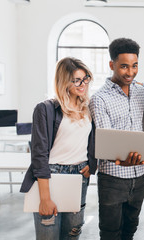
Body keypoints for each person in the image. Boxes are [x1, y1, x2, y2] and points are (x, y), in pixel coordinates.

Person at [20, 57, 97, 240]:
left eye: (85, 78)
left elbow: (92, 141)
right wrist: (45, 198)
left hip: (79, 176)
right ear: (64, 81)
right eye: (77, 80)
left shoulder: (88, 108)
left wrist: (92, 165)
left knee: (72, 236)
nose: (82, 84)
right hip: (50, 177)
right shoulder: (46, 109)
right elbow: (38, 154)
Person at [89, 38, 144, 240]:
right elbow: (106, 141)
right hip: (113, 178)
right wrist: (120, 159)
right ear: (111, 65)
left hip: (140, 174)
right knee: (110, 233)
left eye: (134, 66)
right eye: (124, 66)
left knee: (130, 230)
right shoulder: (99, 99)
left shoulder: (142, 92)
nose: (130, 72)